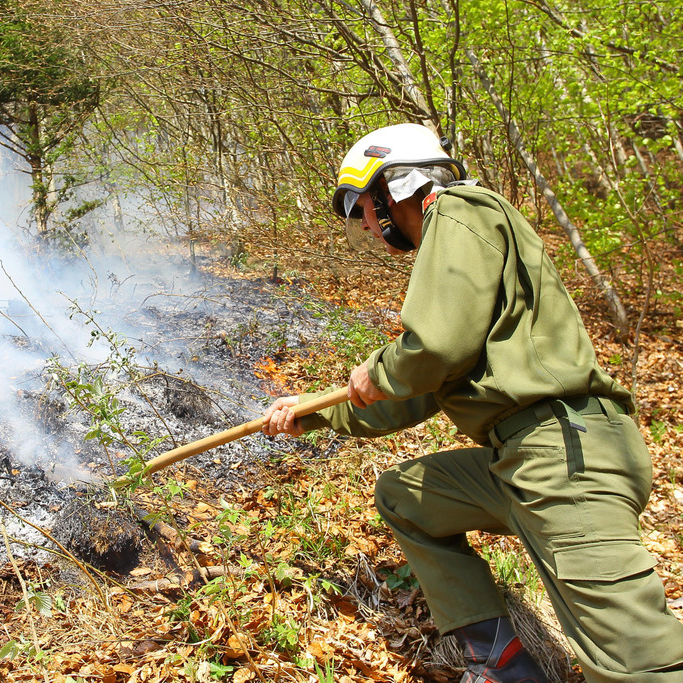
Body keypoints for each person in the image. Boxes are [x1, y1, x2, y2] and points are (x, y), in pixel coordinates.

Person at [261, 123, 683, 682]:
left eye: (362, 206)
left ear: (394, 188)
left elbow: (432, 347)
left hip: (566, 454)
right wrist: (312, 413)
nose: (364, 222)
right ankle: (504, 666)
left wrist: (381, 366)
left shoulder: (462, 210)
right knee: (406, 497)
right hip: (519, 459)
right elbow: (413, 391)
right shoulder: (458, 262)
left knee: (637, 662)